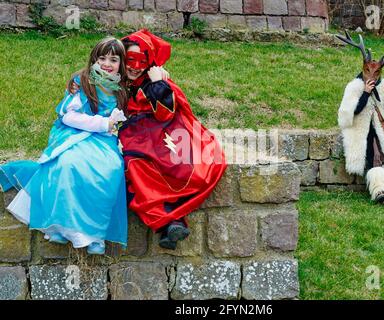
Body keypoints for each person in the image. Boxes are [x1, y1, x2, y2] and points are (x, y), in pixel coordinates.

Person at [0, 37, 129, 254]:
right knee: (67, 163)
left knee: (112, 169)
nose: (107, 64)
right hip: (75, 133)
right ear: (94, 60)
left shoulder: (120, 88)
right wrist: (101, 123)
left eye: (113, 59)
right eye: (102, 58)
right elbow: (69, 117)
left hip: (104, 140)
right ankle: (59, 226)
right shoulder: (83, 82)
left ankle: (94, 234)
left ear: (121, 64)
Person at [118, 29, 227, 250]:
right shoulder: (117, 80)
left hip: (161, 134)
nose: (135, 66)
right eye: (131, 59)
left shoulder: (154, 82)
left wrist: (158, 84)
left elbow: (166, 113)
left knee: (156, 165)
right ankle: (171, 223)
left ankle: (169, 222)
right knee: (132, 165)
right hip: (133, 138)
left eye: (142, 60)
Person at [336, 30, 384, 203]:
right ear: (363, 68)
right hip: (362, 131)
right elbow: (351, 112)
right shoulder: (354, 87)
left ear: (380, 72)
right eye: (367, 71)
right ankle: (380, 191)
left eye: (376, 73)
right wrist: (365, 93)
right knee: (374, 158)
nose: (371, 76)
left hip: (381, 130)